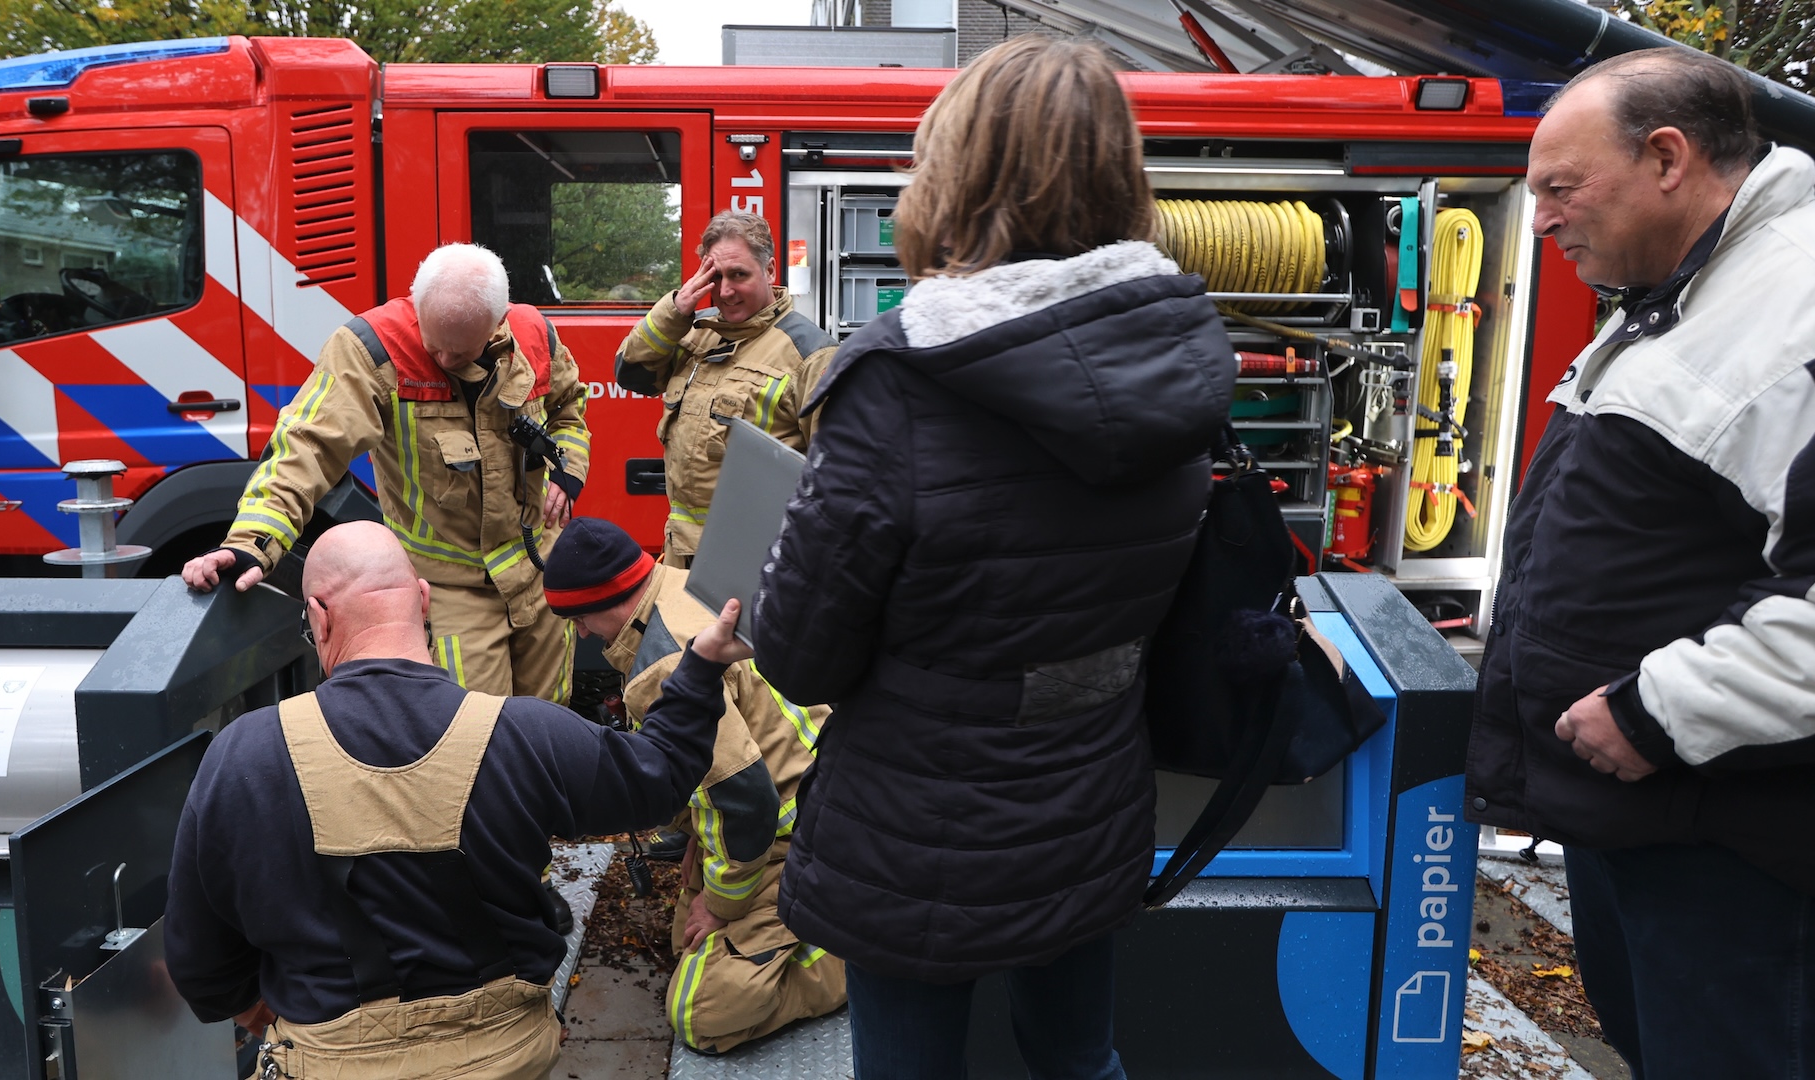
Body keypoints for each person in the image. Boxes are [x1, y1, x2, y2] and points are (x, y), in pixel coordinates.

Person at [752, 36, 1235, 1080]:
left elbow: (799, 654)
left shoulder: (900, 379)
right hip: (1091, 800)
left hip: (917, 832)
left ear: (955, 175)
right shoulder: (1183, 360)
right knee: (1077, 1060)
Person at [1468, 48, 1815, 1078]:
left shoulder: (1791, 311)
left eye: (1558, 190)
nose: (1538, 223)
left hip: (1734, 847)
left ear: (1668, 157)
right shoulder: (1690, 291)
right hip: (1653, 824)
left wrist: (1655, 709)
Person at [165, 521, 750, 1080]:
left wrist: (261, 1008)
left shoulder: (243, 756)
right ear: (423, 602)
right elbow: (660, 778)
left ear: (318, 616)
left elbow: (200, 964)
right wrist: (696, 671)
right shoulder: (526, 734)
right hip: (506, 1057)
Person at [183, 243, 591, 702]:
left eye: (460, 352)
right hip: (446, 591)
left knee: (551, 731)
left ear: (498, 324)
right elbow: (306, 448)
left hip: (539, 576)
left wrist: (568, 466)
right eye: (434, 345)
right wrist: (251, 543)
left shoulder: (535, 336)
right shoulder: (373, 350)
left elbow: (567, 409)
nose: (443, 360)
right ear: (417, 301)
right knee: (474, 742)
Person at [542, 517, 845, 1053]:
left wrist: (722, 904)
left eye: (579, 617)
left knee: (701, 1011)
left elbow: (745, 802)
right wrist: (703, 843)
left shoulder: (659, 664)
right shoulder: (682, 584)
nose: (582, 633)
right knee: (687, 939)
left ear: (605, 597)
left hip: (805, 836)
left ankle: (855, 952)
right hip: (825, 799)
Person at [613, 211, 836, 568]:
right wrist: (675, 311)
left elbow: (836, 479)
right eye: (716, 277)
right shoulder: (696, 333)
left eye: (739, 275)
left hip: (756, 564)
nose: (726, 291)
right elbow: (631, 374)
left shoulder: (811, 354)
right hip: (681, 557)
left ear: (771, 271)